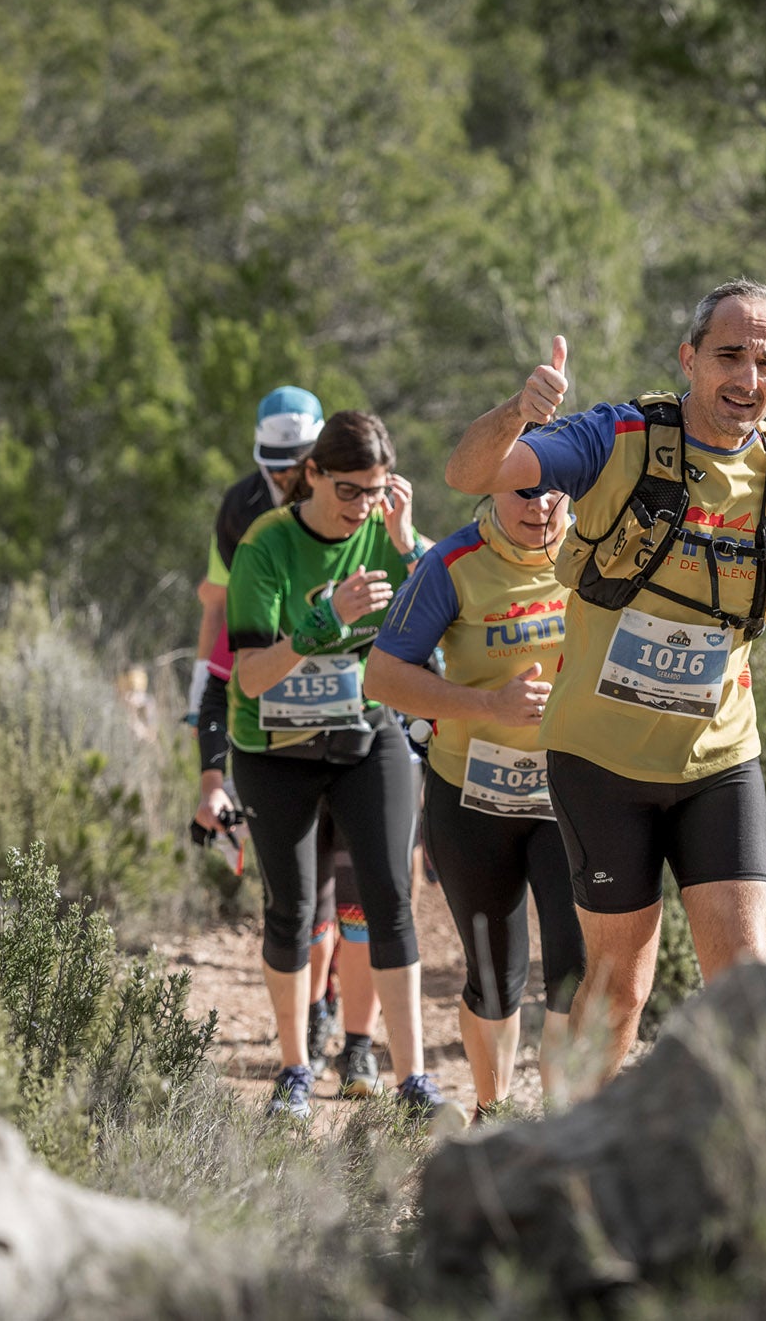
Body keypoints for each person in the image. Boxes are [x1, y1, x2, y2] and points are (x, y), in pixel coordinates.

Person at [444, 279, 766, 1089]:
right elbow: (470, 472)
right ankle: (567, 1155)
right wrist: (519, 410)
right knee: (621, 988)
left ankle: (742, 1167)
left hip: (717, 760)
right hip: (602, 764)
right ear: (689, 358)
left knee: (744, 982)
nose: (748, 376)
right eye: (730, 354)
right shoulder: (614, 436)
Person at [226, 409, 459, 1123]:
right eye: (350, 491)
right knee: (294, 908)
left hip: (365, 735)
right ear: (314, 475)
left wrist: (407, 540)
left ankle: (412, 1076)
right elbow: (251, 676)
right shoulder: (266, 544)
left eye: (379, 491)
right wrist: (317, 629)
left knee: (390, 897)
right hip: (276, 747)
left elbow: (452, 610)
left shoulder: (383, 534)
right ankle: (296, 1068)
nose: (362, 505)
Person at [366, 487, 587, 1117]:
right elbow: (381, 678)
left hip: (567, 792)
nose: (540, 507)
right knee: (496, 977)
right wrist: (489, 705)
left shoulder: (593, 549)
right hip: (471, 795)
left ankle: (562, 1125)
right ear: (492, 487)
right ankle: (494, 1115)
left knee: (576, 967)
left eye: (554, 492)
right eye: (522, 492)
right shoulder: (452, 563)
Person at [189, 385, 382, 1092]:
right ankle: (311, 1026)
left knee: (358, 893)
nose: (283, 482)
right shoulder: (246, 519)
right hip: (269, 714)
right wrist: (213, 768)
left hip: (353, 740)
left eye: (295, 467)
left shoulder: (367, 520)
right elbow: (219, 627)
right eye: (273, 470)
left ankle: (344, 1021)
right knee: (305, 904)